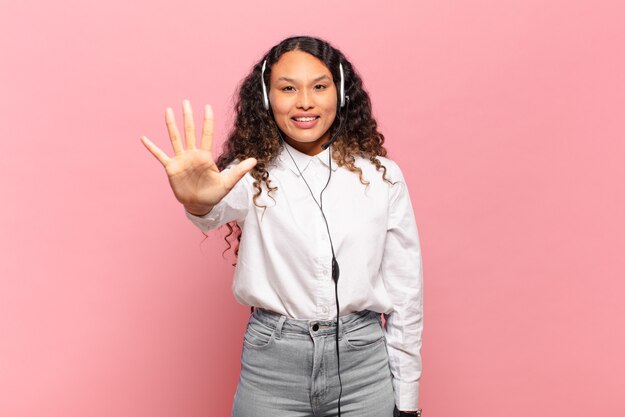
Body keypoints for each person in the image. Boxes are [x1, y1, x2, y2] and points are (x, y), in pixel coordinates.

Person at [141, 36, 423, 417]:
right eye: (288, 88)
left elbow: (406, 295)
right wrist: (196, 198)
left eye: (319, 87)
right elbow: (210, 210)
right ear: (266, 98)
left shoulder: (383, 177)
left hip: (363, 363)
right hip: (272, 363)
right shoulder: (248, 173)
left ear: (340, 95)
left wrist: (407, 401)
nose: (304, 101)